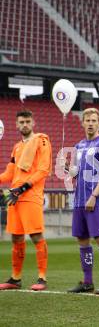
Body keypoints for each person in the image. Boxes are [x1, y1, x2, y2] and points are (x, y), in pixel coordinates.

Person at [0, 109, 52, 291]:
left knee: (36, 236)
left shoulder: (42, 140)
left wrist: (22, 188)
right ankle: (15, 279)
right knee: (16, 237)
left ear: (33, 123)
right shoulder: (17, 147)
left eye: (28, 121)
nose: (25, 125)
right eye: (21, 122)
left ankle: (42, 278)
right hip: (14, 197)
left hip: (30, 196)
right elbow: (9, 173)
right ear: (16, 125)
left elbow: (43, 169)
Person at [67, 108, 99, 295]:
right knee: (82, 240)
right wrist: (69, 169)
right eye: (87, 120)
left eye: (94, 120)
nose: (90, 123)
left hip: (96, 200)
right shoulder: (78, 146)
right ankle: (87, 281)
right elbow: (77, 173)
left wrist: (94, 196)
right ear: (83, 122)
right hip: (79, 201)